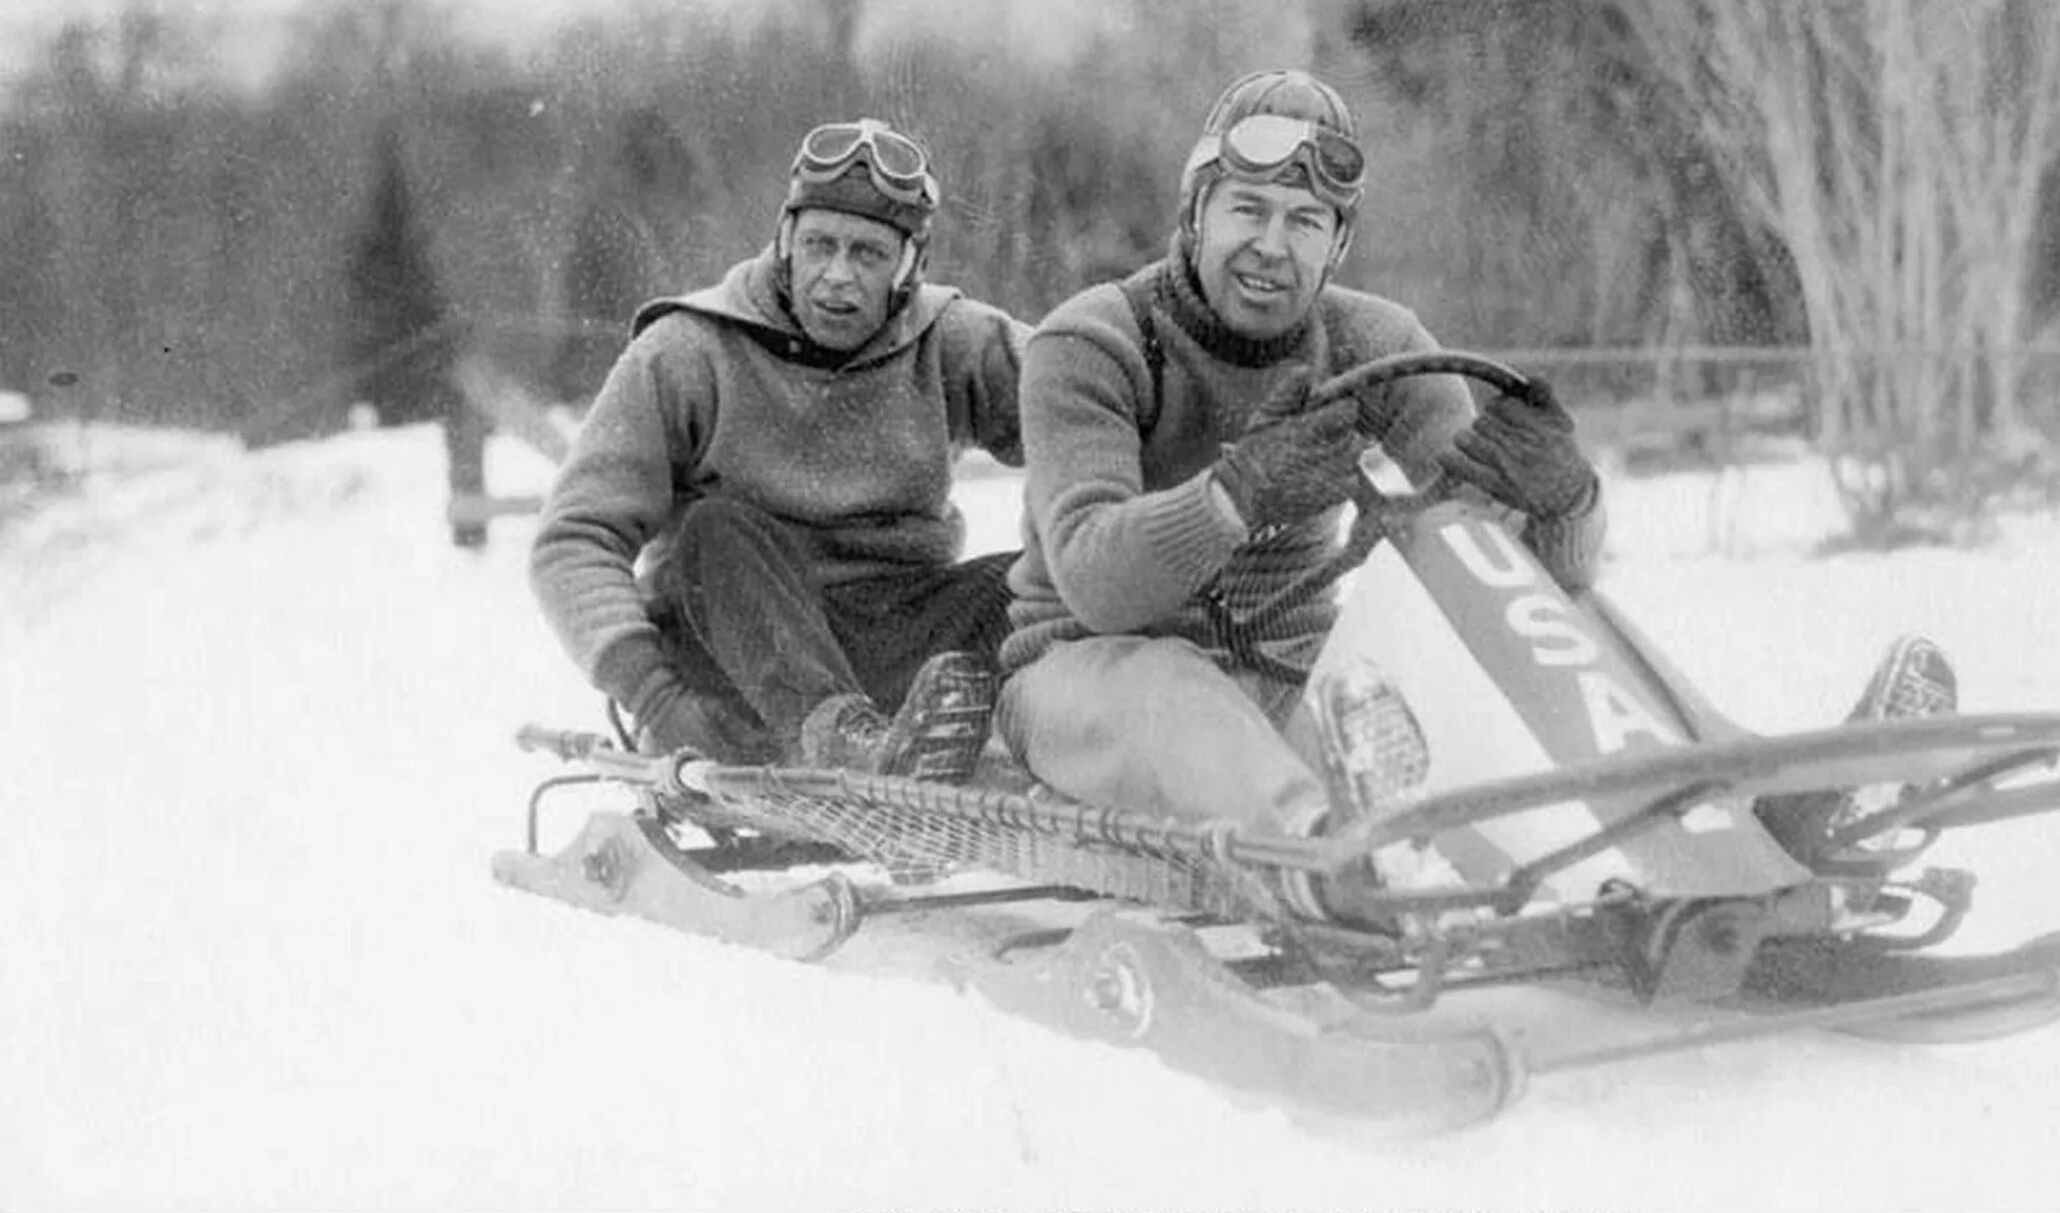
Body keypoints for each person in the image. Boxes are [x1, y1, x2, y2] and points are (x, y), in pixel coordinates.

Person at [992, 69, 1608, 843]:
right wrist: (1233, 497)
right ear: (1194, 216)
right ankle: (1326, 855)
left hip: (1290, 674)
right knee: (1168, 685)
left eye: (1306, 221)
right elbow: (1095, 586)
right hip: (1087, 680)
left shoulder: (1374, 344)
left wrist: (1562, 508)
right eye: (1246, 210)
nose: (1271, 246)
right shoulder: (1093, 341)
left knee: (1546, 627)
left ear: (1337, 243)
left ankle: (1694, 792)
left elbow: (1499, 575)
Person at [532, 118, 1028, 782]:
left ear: (910, 268)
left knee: (1035, 584)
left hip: (896, 629)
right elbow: (574, 538)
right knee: (717, 531)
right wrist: (654, 695)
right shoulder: (687, 351)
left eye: (869, 255)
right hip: (738, 656)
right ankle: (841, 738)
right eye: (820, 245)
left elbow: (1084, 401)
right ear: (785, 243)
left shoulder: (952, 339)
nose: (837, 278)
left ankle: (1054, 739)